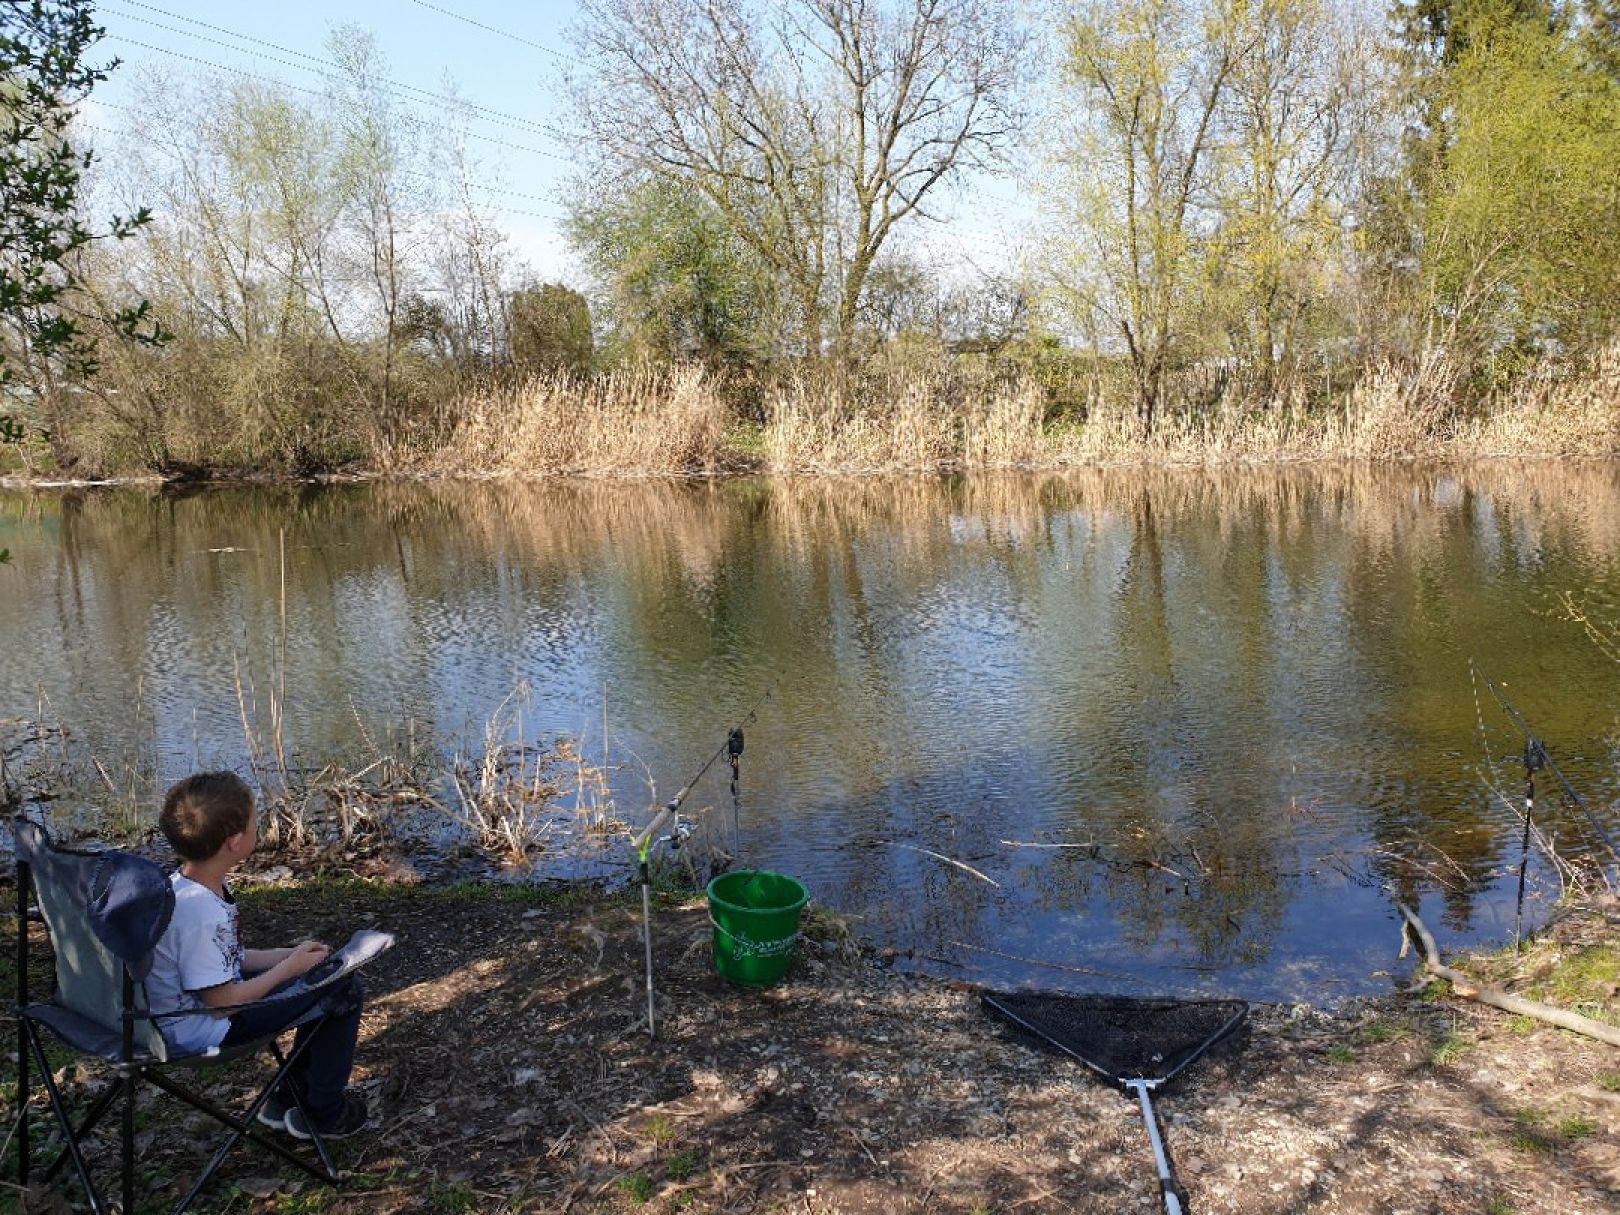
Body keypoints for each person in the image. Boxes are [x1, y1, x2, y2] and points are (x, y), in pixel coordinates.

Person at [145, 771, 369, 1140]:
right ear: (235, 842)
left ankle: (285, 1100)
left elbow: (224, 959)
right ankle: (324, 1113)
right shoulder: (202, 914)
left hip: (183, 1014)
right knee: (343, 990)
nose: (257, 828)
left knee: (321, 976)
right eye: (254, 822)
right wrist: (285, 971)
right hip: (201, 1028)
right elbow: (222, 1003)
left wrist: (286, 957)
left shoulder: (184, 886)